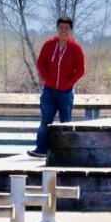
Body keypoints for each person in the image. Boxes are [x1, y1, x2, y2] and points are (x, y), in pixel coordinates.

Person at [27, 15, 86, 158]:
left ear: (71, 30)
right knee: (45, 121)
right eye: (61, 28)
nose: (63, 31)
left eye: (67, 28)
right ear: (57, 28)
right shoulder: (48, 45)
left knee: (65, 122)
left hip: (65, 93)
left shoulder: (75, 48)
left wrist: (68, 83)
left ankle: (65, 152)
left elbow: (81, 69)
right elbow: (41, 63)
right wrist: (46, 78)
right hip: (49, 91)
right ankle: (41, 149)